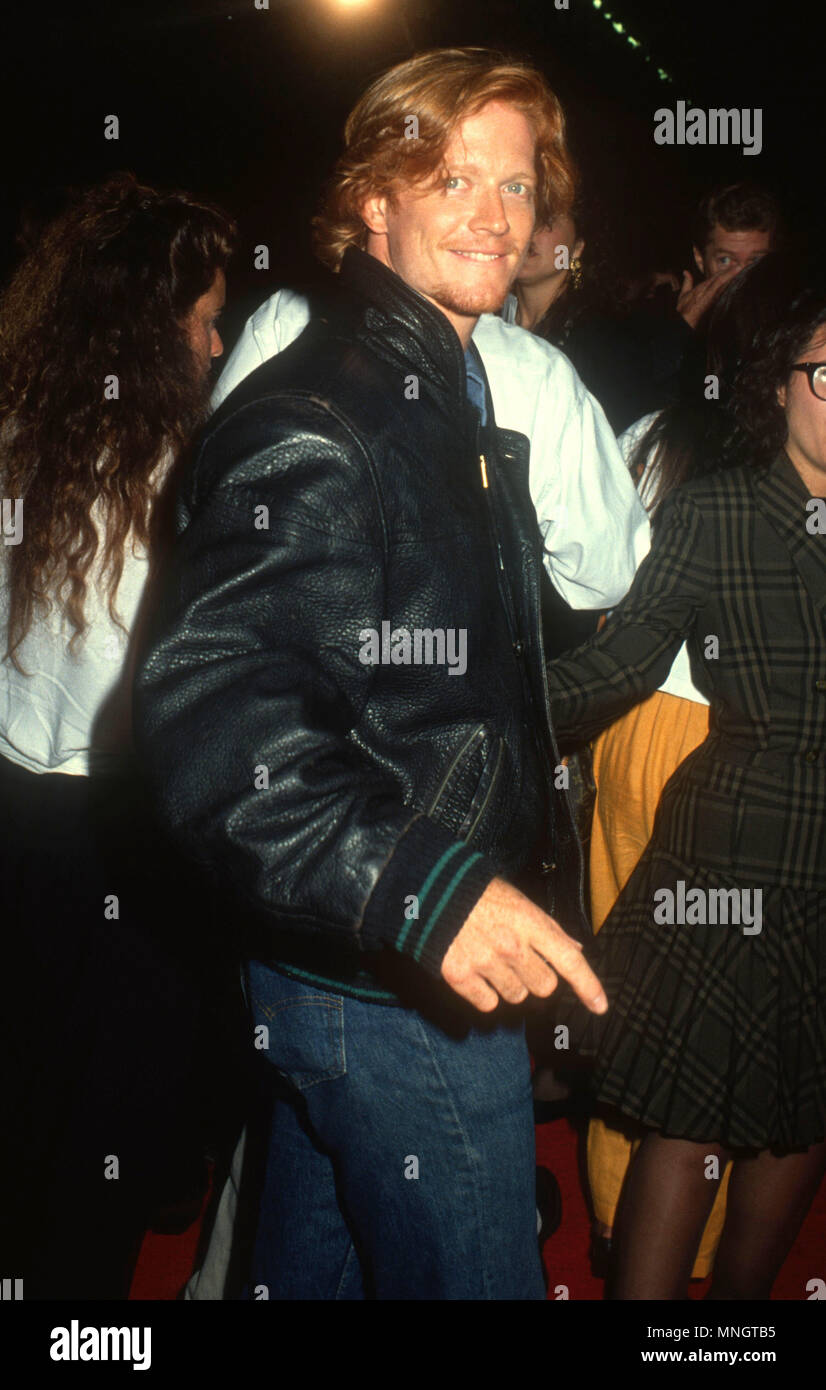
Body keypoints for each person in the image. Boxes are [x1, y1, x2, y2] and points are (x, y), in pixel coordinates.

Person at [136, 47, 608, 1301]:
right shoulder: (325, 410)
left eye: (515, 186)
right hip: (396, 986)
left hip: (349, 976)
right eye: (452, 177)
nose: (495, 215)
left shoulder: (441, 384)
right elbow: (211, 711)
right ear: (373, 199)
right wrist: (426, 889)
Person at [545, 263, 826, 1300]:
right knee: (692, 1116)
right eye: (825, 375)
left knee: (802, 1108)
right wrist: (481, 706)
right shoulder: (715, 512)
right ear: (775, 382)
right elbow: (616, 666)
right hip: (730, 852)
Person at [0, 173, 236, 1298]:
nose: (220, 339)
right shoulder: (191, 467)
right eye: (203, 319)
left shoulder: (14, 425)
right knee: (103, 1135)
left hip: (16, 805)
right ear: (155, 327)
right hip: (126, 830)